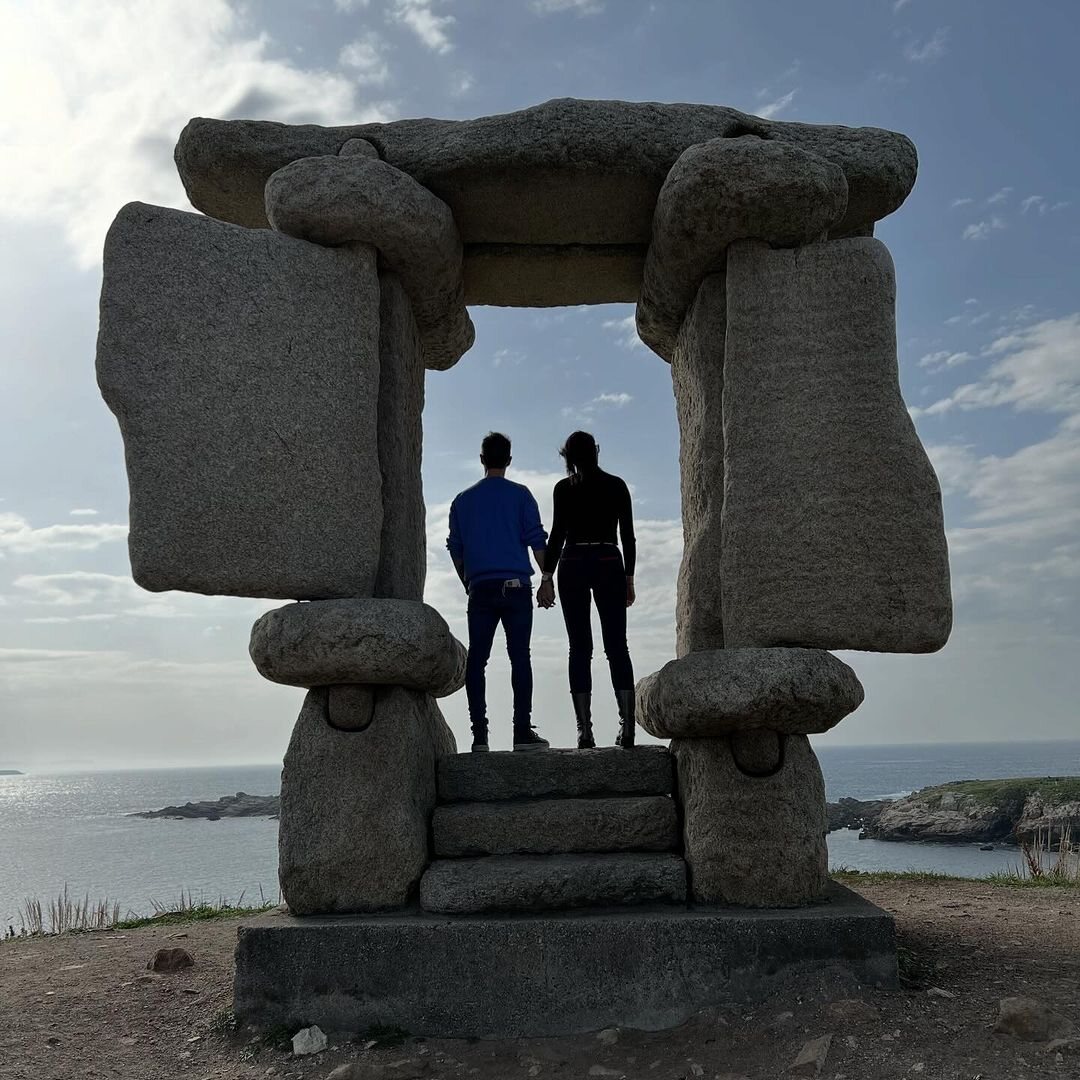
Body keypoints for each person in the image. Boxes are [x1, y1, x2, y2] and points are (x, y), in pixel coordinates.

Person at [447, 432, 551, 753]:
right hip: (517, 588)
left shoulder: (462, 501)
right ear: (508, 459)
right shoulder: (521, 496)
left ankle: (480, 737)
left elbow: (456, 550)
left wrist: (468, 582)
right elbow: (537, 542)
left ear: (482, 459)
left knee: (477, 661)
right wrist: (547, 578)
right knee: (520, 658)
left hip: (480, 589)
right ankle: (522, 733)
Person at [537, 431, 637, 749]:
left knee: (579, 647)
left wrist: (546, 576)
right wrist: (629, 579)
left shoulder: (564, 489)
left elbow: (556, 535)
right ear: (596, 451)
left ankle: (584, 730)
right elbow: (629, 537)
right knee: (617, 646)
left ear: (568, 457)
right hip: (609, 558)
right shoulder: (616, 485)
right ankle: (628, 726)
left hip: (574, 561)